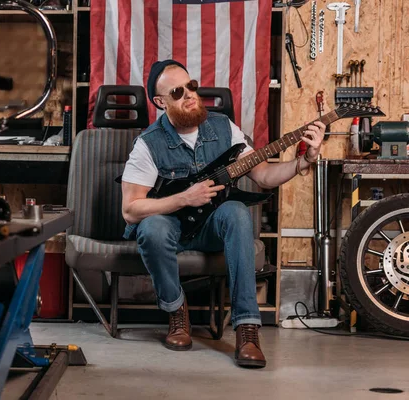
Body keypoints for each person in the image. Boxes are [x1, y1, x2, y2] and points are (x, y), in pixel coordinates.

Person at [120, 59, 325, 369]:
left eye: (192, 86)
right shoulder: (148, 144)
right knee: (151, 229)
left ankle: (247, 328)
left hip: (211, 227)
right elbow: (131, 209)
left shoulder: (223, 127)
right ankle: (177, 312)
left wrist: (304, 161)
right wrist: (184, 198)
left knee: (237, 212)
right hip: (172, 226)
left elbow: (264, 176)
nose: (189, 94)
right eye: (178, 91)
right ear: (160, 102)